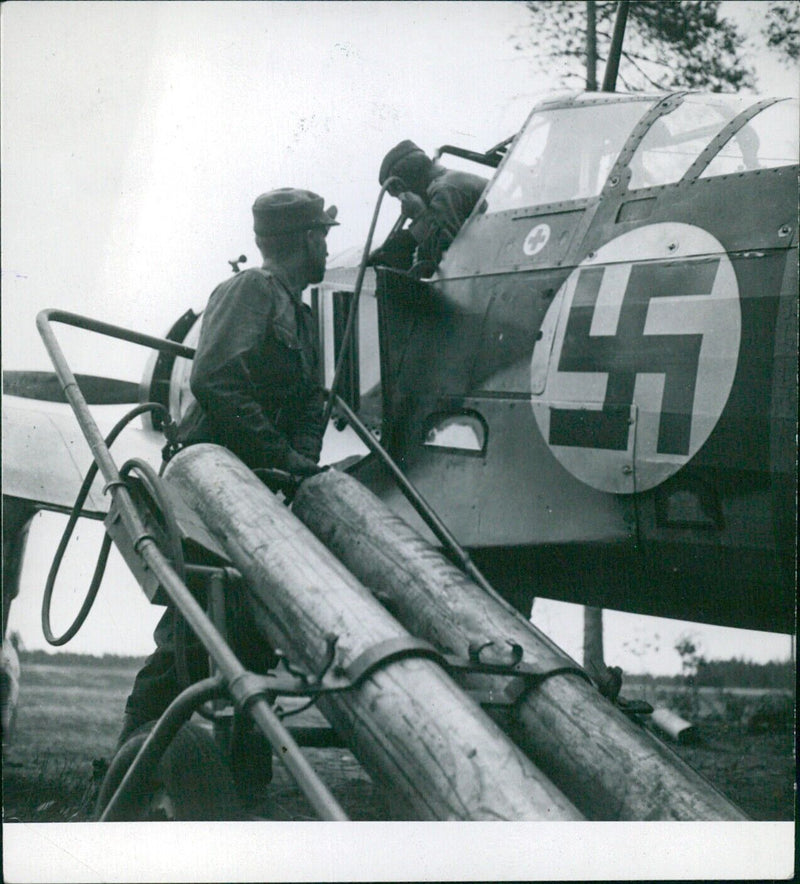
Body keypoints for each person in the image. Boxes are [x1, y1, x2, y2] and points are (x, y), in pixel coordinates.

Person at [117, 188, 338, 758]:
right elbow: (215, 379)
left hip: (256, 491)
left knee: (248, 636)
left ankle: (242, 779)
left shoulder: (300, 313)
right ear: (308, 238)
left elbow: (313, 401)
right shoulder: (252, 291)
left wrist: (301, 465)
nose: (327, 246)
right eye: (324, 235)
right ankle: (129, 771)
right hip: (210, 488)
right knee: (190, 639)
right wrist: (280, 457)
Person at [369, 139, 488, 277]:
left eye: (399, 196)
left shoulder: (444, 189)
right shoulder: (449, 180)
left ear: (401, 185)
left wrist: (420, 214)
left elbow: (444, 258)